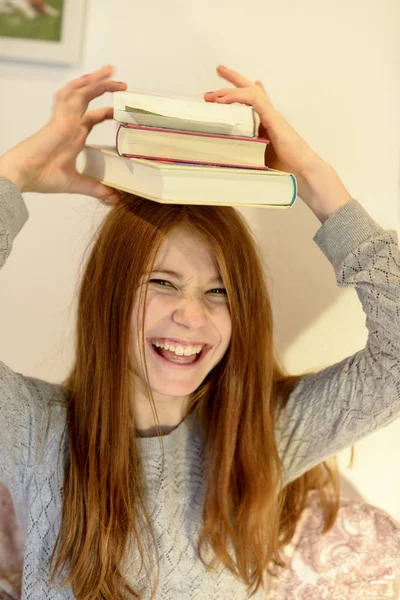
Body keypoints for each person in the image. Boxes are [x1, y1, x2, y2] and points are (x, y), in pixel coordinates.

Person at [0, 64, 398, 600]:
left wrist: (316, 180)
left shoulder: (265, 434)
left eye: (220, 292)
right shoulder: (37, 432)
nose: (192, 317)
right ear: (111, 299)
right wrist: (16, 172)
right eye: (163, 282)